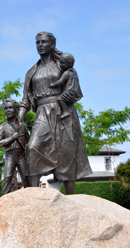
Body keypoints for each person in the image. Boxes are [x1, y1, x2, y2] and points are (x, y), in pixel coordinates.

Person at [18, 32, 91, 194]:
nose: (40, 45)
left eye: (44, 42)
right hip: (42, 113)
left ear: (52, 44)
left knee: (66, 154)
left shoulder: (62, 65)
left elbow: (73, 84)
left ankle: (71, 198)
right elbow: (25, 100)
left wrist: (66, 97)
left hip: (63, 112)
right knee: (33, 147)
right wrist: (19, 118)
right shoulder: (31, 72)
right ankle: (33, 195)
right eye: (37, 42)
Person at [0, 99, 29, 195]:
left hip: (22, 155)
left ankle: (31, 197)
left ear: (17, 109)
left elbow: (30, 141)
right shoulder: (2, 127)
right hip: (10, 156)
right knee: (7, 178)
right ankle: (4, 200)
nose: (8, 110)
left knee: (26, 177)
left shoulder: (22, 126)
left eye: (10, 108)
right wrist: (12, 138)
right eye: (5, 108)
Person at [49, 53, 82, 121]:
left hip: (68, 90)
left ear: (69, 64)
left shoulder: (66, 73)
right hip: (74, 90)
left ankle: (65, 111)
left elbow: (60, 81)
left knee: (60, 99)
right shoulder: (74, 71)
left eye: (62, 63)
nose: (60, 65)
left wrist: (52, 85)